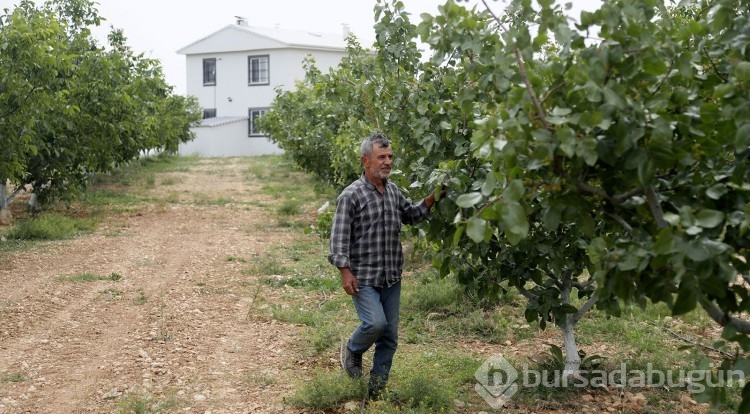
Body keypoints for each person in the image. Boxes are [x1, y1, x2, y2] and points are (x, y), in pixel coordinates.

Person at [328, 133, 444, 401]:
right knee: (375, 323)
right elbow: (339, 238)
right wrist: (345, 271)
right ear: (365, 161)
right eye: (382, 157)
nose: (388, 162)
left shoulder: (393, 192)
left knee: (389, 336)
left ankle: (376, 389)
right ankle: (354, 348)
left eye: (390, 156)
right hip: (364, 277)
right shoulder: (351, 195)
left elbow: (411, 215)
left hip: (391, 277)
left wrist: (432, 198)